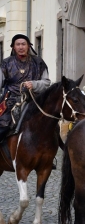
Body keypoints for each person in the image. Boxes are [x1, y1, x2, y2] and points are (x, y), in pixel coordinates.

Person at [0, 34, 54, 163]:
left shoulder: (39, 62)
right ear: (13, 47)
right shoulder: (6, 63)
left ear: (28, 46)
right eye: (17, 44)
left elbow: (46, 82)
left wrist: (34, 84)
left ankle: (49, 156)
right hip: (12, 101)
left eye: (23, 44)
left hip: (35, 100)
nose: (20, 47)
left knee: (50, 124)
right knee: (3, 124)